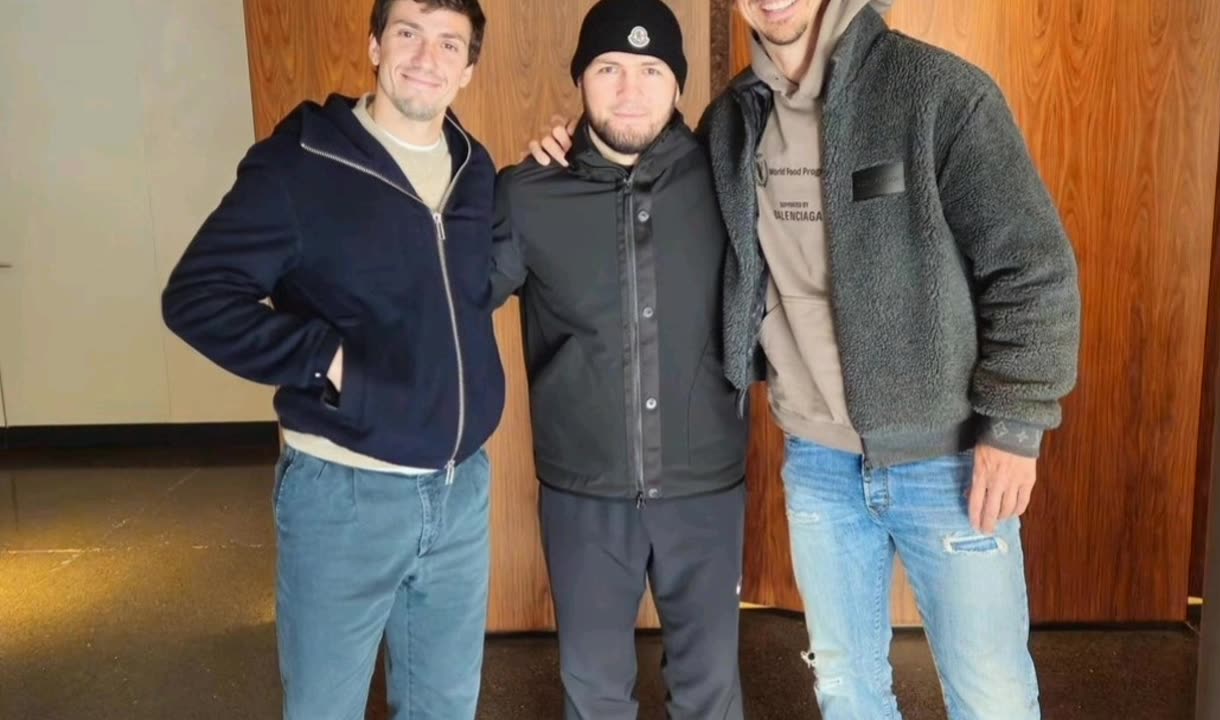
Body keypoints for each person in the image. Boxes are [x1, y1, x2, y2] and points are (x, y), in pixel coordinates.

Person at [531, 0, 1082, 717]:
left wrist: (1015, 424)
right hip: (819, 463)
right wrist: (571, 150)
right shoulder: (732, 120)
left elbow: (1033, 264)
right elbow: (643, 175)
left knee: (992, 694)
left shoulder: (937, 91)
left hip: (945, 457)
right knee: (848, 691)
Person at [161, 1, 502, 717]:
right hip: (344, 497)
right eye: (407, 34)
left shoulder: (476, 170)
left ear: (468, 69)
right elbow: (196, 297)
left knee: (445, 708)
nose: (425, 57)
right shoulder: (301, 164)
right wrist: (328, 359)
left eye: (449, 44)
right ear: (375, 45)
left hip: (461, 492)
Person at [488, 1, 750, 718]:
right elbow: (452, 301)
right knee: (594, 692)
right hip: (584, 494)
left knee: (711, 691)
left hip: (706, 489)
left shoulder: (731, 182)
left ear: (678, 85)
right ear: (581, 79)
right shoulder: (525, 193)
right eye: (608, 68)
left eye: (649, 69)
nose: (629, 89)